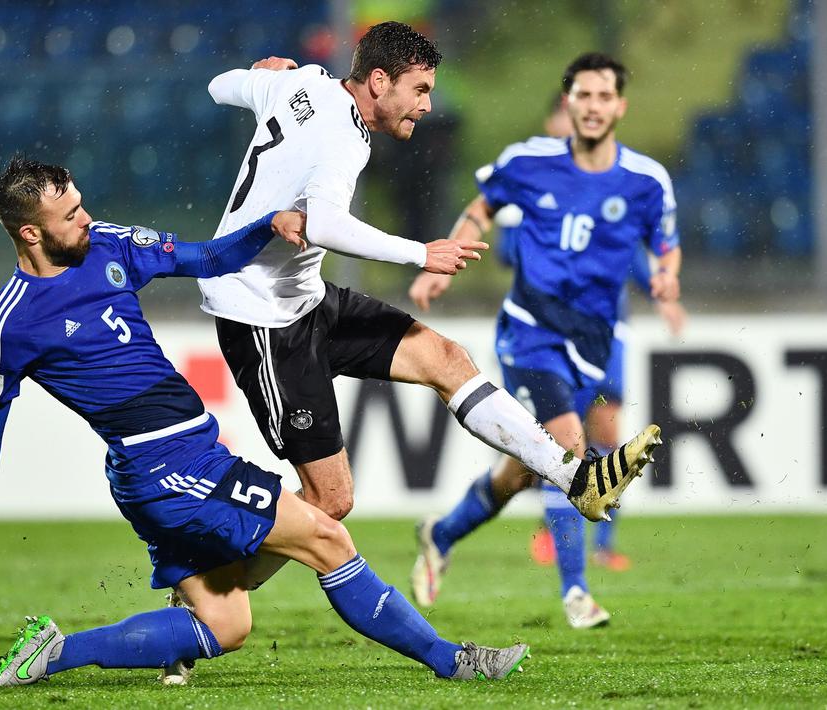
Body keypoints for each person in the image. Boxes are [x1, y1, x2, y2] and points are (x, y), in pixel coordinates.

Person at [0, 156, 530, 688]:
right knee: (327, 535)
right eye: (70, 214)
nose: (87, 218)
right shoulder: (11, 323)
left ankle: (51, 654)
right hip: (163, 469)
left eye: (81, 203)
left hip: (181, 461)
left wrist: (268, 223)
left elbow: (209, 257)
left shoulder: (109, 243)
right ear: (30, 232)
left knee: (225, 624)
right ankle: (453, 661)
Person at [196, 22, 661, 584]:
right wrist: (421, 253)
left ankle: (577, 480)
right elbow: (322, 223)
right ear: (377, 81)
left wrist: (264, 75)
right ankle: (209, 588)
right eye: (418, 89)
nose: (427, 104)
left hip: (305, 298)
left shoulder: (309, 84)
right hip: (262, 318)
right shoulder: (340, 134)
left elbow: (219, 87)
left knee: (446, 359)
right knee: (331, 500)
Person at [407, 52, 682, 628]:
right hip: (529, 335)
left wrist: (666, 276)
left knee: (522, 472)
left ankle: (442, 531)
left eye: (604, 97)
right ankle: (577, 592)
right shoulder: (528, 163)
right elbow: (481, 208)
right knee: (568, 449)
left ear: (619, 106)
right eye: (582, 96)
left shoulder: (645, 179)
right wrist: (442, 262)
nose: (593, 106)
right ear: (569, 102)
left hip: (594, 343)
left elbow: (665, 240)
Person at [516, 97, 686, 573]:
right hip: (548, 333)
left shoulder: (610, 184)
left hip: (605, 331)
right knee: (557, 436)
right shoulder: (533, 189)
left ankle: (604, 539)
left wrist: (661, 295)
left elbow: (629, 249)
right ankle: (555, 530)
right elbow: (512, 255)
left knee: (607, 428)